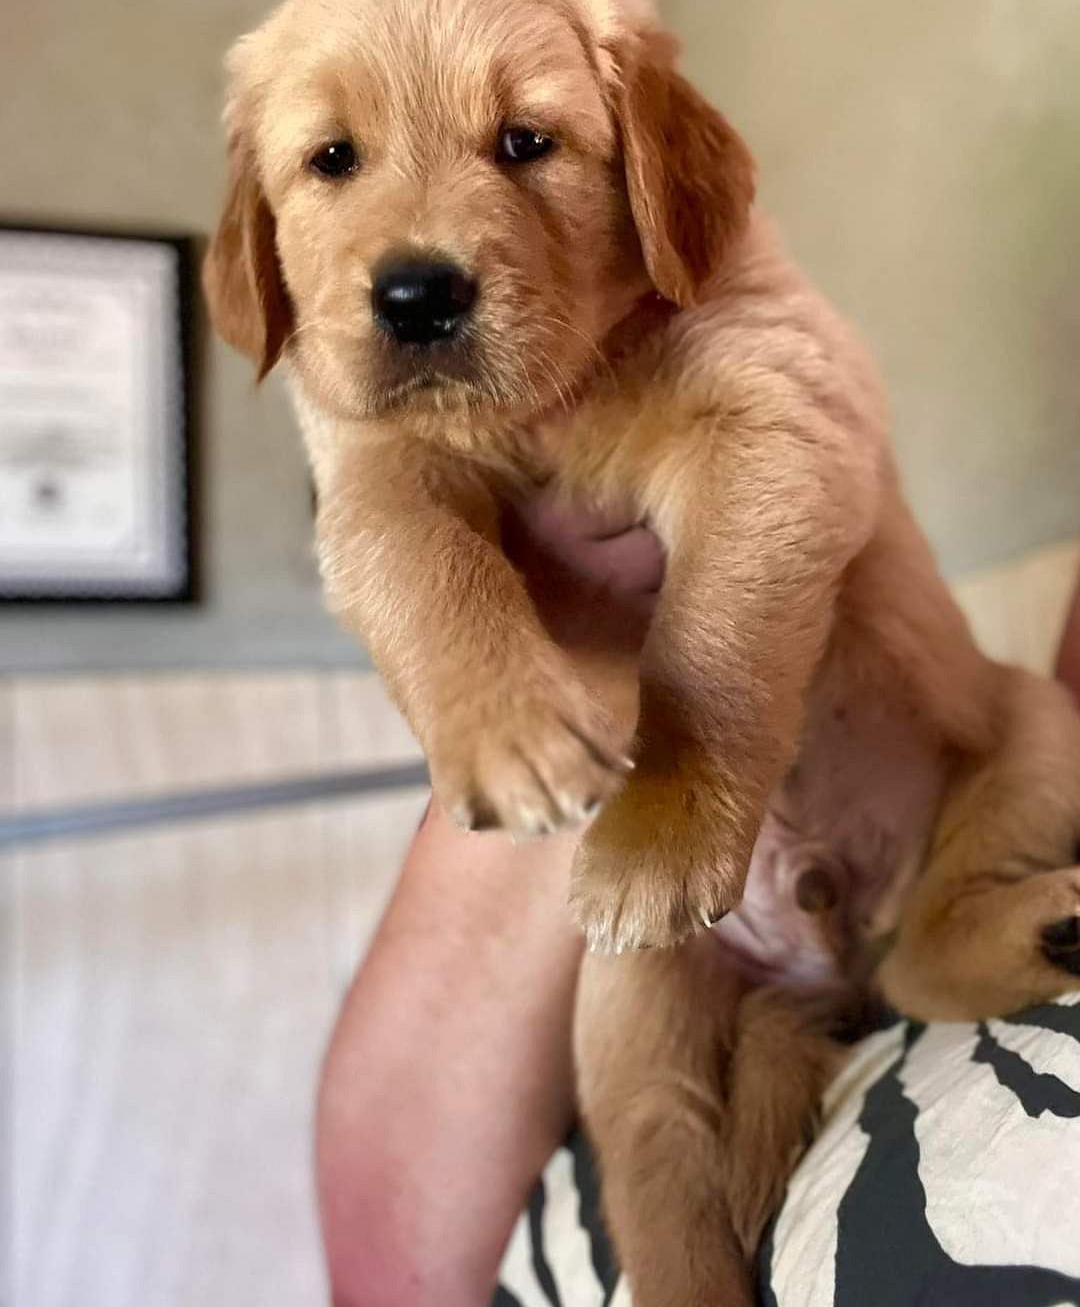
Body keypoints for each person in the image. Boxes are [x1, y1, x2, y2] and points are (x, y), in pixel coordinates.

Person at [315, 499, 1080, 1307]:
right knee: (651, 1098)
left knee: (1034, 719)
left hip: (916, 846)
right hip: (694, 873)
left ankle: (948, 942)